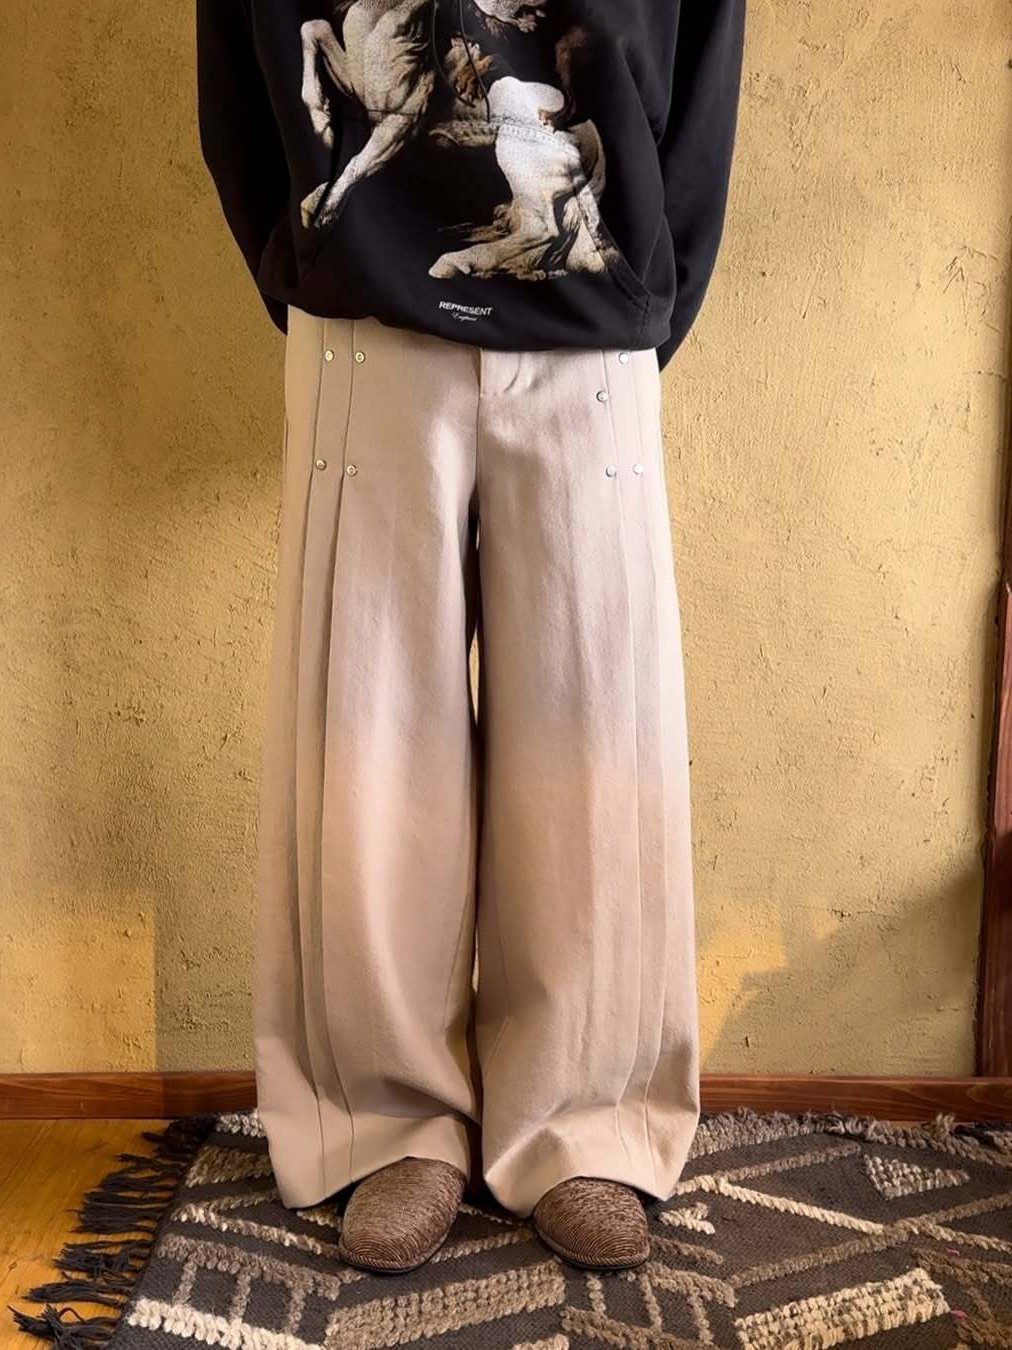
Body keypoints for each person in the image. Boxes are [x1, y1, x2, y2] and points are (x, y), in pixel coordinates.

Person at [196, 0, 745, 1275]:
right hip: (364, 310)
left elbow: (708, 53)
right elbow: (234, 68)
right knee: (366, 734)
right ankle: (386, 1120)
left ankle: (589, 1122)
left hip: (598, 305)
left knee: (597, 736)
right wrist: (314, 252)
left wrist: (652, 284)